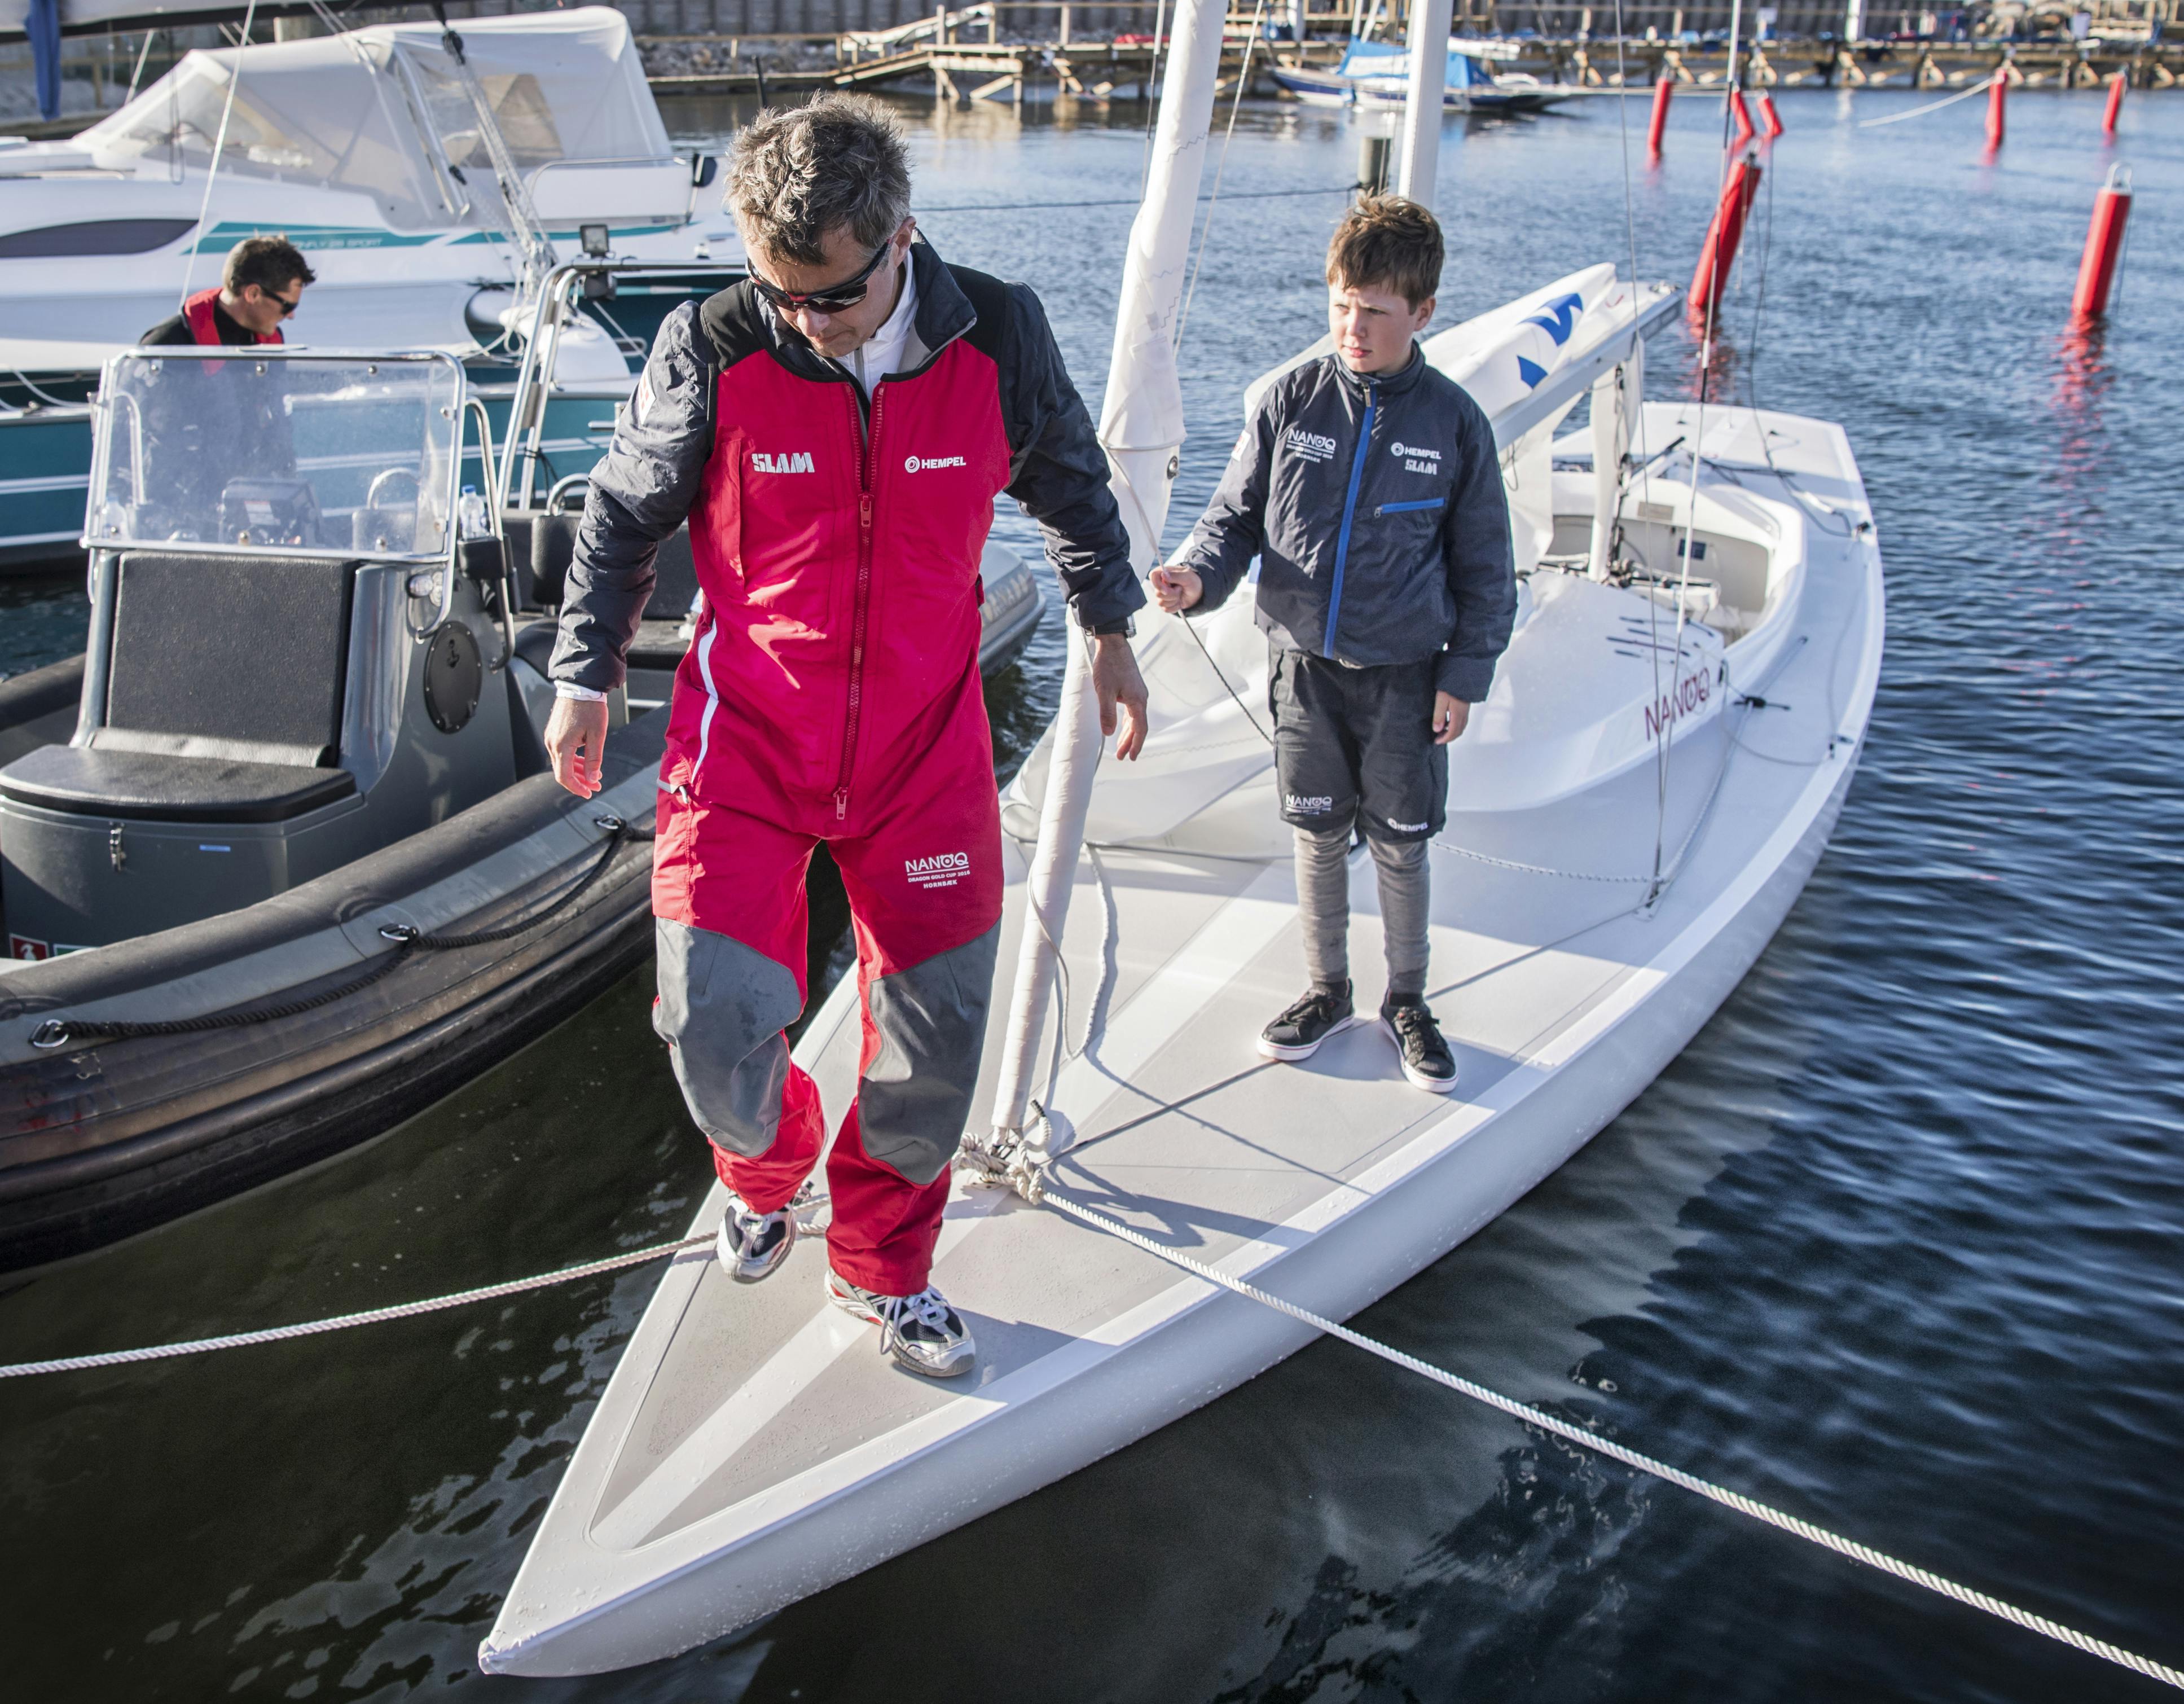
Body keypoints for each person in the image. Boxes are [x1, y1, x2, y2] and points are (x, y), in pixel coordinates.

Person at [543, 95, 1149, 1380]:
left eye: (831, 297)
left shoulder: (1004, 337)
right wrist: (583, 674)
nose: (804, 323)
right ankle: (768, 1168)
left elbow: (1076, 488)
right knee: (710, 1024)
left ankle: (885, 1270)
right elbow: (618, 516)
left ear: (902, 240)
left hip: (923, 755)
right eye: (781, 295)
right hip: (747, 742)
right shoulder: (710, 346)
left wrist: (1108, 629)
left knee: (937, 1040)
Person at [1150, 195, 1515, 1095]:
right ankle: (1326, 991)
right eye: (1341, 306)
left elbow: (1485, 571)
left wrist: (1462, 677)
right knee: (1315, 838)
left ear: (1421, 313)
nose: (1352, 328)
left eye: (1376, 312)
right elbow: (1231, 518)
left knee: (1399, 840)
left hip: (1405, 675)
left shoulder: (1454, 424)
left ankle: (1407, 1001)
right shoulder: (1289, 399)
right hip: (1301, 671)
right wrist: (1194, 578)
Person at [140, 234, 315, 348]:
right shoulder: (166, 346)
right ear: (253, 294)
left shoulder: (270, 341)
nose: (291, 315)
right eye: (287, 306)